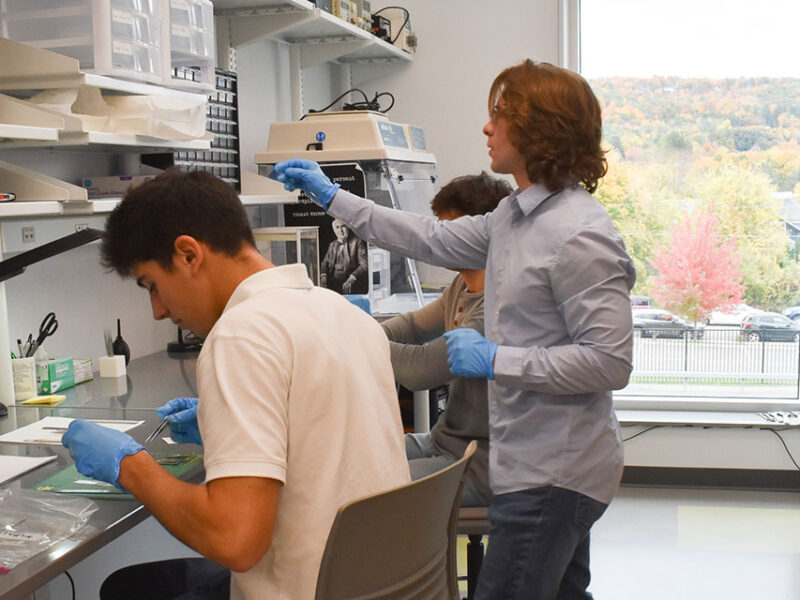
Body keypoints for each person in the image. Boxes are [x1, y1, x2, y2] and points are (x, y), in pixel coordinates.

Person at [272, 59, 636, 600]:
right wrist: (333, 197)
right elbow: (427, 237)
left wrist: (496, 360)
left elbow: (610, 362)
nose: (487, 128)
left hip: (554, 473)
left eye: (500, 116)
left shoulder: (577, 233)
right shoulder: (515, 216)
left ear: (542, 130)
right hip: (526, 463)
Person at [60, 169, 410, 600]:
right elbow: (323, 448)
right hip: (373, 580)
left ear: (189, 255)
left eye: (152, 285)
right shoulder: (343, 312)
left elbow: (235, 541)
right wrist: (217, 428)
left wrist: (130, 466)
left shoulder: (240, 336)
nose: (156, 311)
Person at [381, 172, 511, 507]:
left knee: (366, 486)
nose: (438, 240)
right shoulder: (461, 285)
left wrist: (355, 342)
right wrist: (360, 330)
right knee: (351, 456)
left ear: (479, 232)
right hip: (445, 441)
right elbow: (412, 325)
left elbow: (420, 370)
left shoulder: (500, 305)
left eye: (448, 229)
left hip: (479, 464)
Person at [320, 217, 368, 293]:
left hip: (350, 285)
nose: (340, 230)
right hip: (333, 285)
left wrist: (352, 278)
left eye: (343, 226)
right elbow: (325, 262)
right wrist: (323, 276)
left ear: (348, 227)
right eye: (337, 227)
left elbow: (364, 265)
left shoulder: (358, 242)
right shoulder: (332, 245)